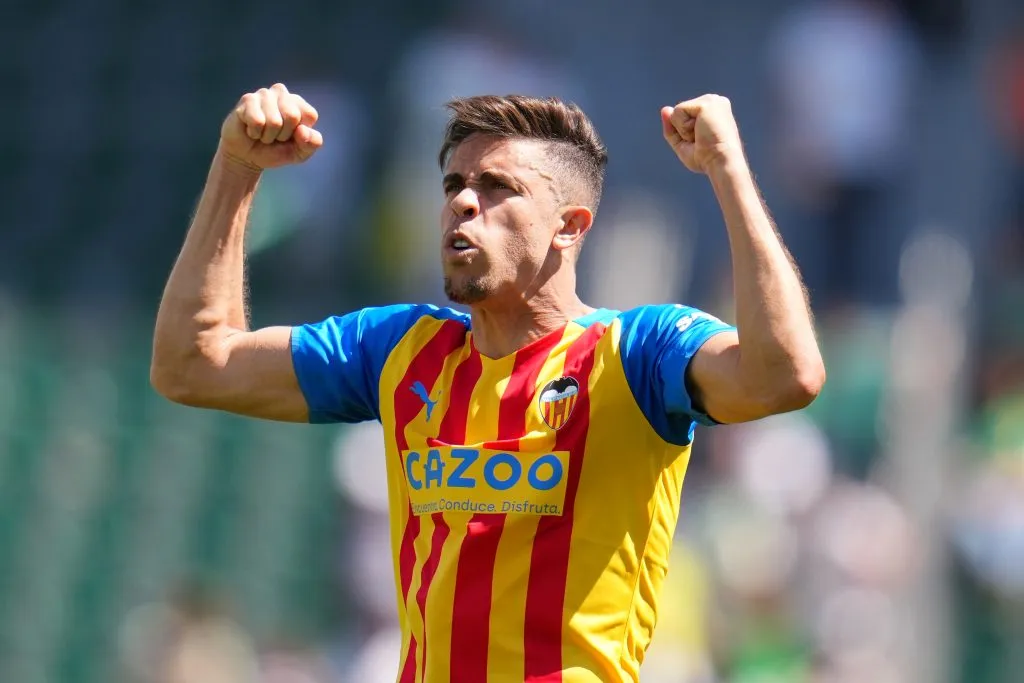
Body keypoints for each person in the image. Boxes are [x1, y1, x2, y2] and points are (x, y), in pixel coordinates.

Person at [151, 83, 825, 683]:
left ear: (570, 226)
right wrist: (237, 167)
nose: (464, 203)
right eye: (453, 186)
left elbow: (786, 375)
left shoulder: (638, 352)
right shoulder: (400, 349)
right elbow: (194, 362)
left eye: (498, 187)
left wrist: (728, 170)